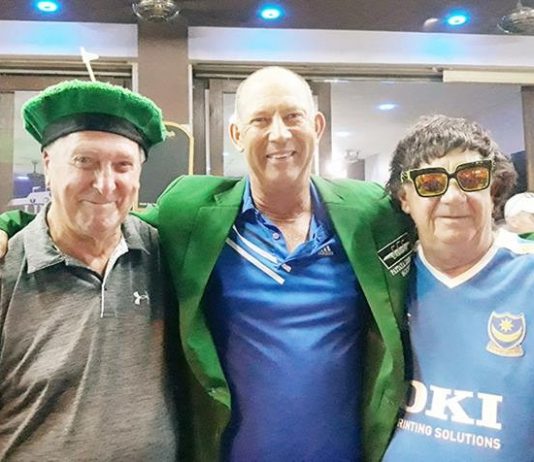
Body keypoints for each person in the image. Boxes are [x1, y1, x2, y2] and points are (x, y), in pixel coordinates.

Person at [0, 67, 413, 462]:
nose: (279, 134)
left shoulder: (370, 213)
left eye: (293, 117)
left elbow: (430, 226)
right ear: (236, 134)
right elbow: (98, 218)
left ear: (317, 127)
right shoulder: (193, 213)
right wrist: (9, 225)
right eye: (260, 120)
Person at [0, 81, 178, 460]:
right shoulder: (6, 270)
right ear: (48, 165)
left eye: (123, 166)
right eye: (84, 161)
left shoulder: (165, 254)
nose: (104, 184)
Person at [382, 115, 534, 461]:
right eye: (431, 182)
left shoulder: (527, 275)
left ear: (493, 189)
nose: (453, 196)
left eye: (471, 178)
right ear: (405, 198)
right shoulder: (385, 283)